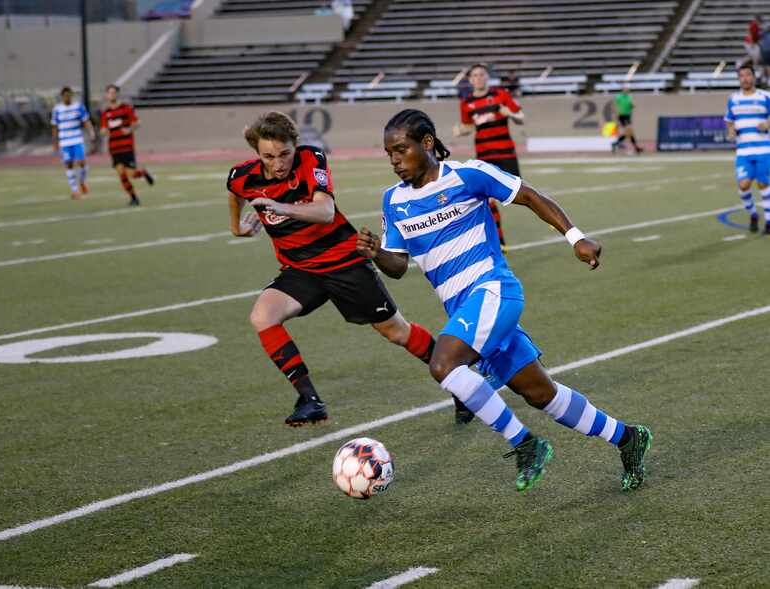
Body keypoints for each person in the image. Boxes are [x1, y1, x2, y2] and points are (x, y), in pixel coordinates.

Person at [357, 109, 652, 492]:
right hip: (465, 310)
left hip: (494, 291)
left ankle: (525, 444)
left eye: (401, 150)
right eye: (389, 153)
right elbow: (397, 266)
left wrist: (576, 238)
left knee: (443, 364)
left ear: (427, 143)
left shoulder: (468, 175)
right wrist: (377, 253)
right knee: (540, 393)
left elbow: (529, 196)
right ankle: (628, 438)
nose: (395, 160)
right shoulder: (393, 201)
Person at [226, 111, 442, 427]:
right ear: (257, 154)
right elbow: (235, 190)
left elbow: (325, 211)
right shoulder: (243, 176)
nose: (278, 163)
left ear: (295, 146)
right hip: (300, 269)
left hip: (344, 262)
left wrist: (279, 206)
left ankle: (457, 380)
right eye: (269, 157)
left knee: (396, 332)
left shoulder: (311, 158)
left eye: (284, 153)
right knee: (262, 316)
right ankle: (311, 400)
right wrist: (236, 227)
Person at [453, 63, 524, 252]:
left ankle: (548, 215)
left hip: (506, 152)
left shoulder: (500, 94)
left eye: (481, 74)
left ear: (487, 77)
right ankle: (500, 243)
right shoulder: (466, 103)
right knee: (489, 199)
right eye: (474, 75)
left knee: (522, 193)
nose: (478, 78)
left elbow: (520, 117)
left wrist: (509, 113)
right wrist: (460, 131)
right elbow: (468, 127)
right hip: (484, 156)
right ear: (470, 80)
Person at [725, 63, 770, 234]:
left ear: (754, 77)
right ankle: (753, 213)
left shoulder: (765, 96)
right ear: (739, 79)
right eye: (742, 76)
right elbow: (729, 120)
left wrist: (767, 124)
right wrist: (731, 131)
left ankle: (768, 222)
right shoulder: (733, 99)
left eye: (748, 75)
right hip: (743, 151)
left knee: (763, 184)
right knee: (743, 185)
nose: (745, 78)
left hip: (764, 149)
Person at [100, 84, 154, 206]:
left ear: (117, 94)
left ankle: (143, 172)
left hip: (126, 146)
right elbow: (103, 129)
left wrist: (129, 130)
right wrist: (103, 132)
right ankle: (134, 198)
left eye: (113, 92)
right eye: (109, 93)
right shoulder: (106, 113)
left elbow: (137, 122)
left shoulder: (126, 108)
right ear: (106, 95)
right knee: (121, 174)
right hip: (114, 147)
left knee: (132, 174)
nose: (111, 95)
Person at [51, 86, 95, 200]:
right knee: (69, 164)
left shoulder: (78, 106)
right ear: (62, 96)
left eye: (69, 95)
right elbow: (55, 127)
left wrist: (91, 133)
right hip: (64, 141)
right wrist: (55, 143)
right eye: (65, 95)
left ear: (71, 95)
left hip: (77, 139)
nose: (67, 97)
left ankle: (82, 181)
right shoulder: (57, 109)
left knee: (81, 162)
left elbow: (85, 121)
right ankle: (75, 191)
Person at [612, 85, 643, 154]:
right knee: (629, 131)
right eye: (625, 89)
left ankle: (615, 144)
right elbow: (615, 105)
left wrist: (632, 106)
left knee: (629, 133)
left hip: (628, 116)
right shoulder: (619, 97)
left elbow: (631, 105)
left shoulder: (629, 97)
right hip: (622, 116)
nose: (626, 90)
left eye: (627, 89)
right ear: (622, 90)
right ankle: (636, 148)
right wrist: (616, 114)